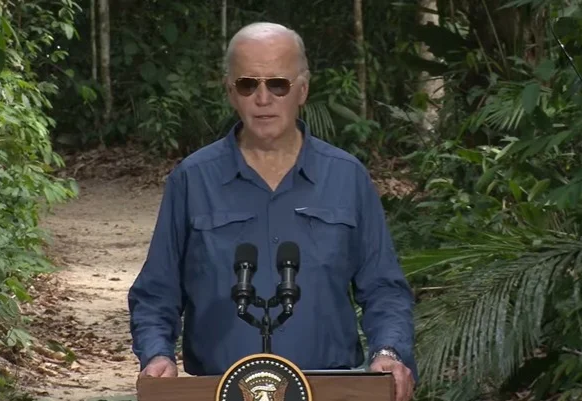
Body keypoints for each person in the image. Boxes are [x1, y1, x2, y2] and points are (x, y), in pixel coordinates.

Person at [127, 22, 418, 401]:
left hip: (330, 389)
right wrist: (157, 355)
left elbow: (384, 289)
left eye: (278, 84)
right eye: (248, 85)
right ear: (230, 92)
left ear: (302, 90)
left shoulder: (347, 177)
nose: (263, 98)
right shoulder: (192, 180)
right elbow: (156, 293)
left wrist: (389, 352)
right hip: (219, 390)